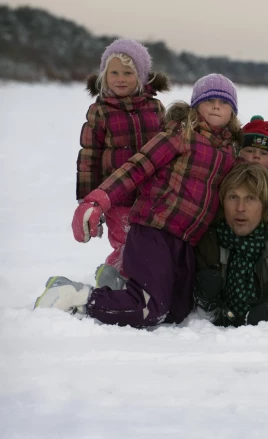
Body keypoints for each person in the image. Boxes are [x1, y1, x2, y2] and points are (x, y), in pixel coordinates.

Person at [34, 73, 243, 327]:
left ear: (232, 113)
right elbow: (138, 167)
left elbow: (255, 182)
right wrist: (98, 200)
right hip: (154, 229)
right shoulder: (180, 134)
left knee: (178, 311)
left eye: (224, 102)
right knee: (149, 309)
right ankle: (74, 295)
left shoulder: (230, 151)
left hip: (186, 241)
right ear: (195, 106)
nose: (216, 106)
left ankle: (121, 286)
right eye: (209, 100)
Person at [77, 38, 169, 277]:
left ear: (140, 76)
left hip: (153, 195)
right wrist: (88, 201)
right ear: (104, 75)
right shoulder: (100, 111)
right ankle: (115, 277)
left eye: (128, 73)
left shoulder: (156, 108)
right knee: (125, 241)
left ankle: (145, 280)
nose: (120, 78)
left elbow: (168, 147)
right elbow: (89, 156)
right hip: (118, 197)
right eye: (114, 72)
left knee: (149, 242)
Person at [194, 163, 268, 326]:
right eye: (233, 197)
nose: (240, 208)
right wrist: (206, 303)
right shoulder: (210, 239)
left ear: (266, 204)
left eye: (251, 198)